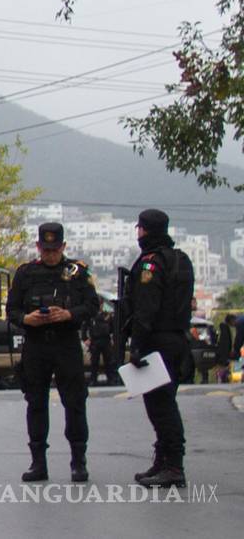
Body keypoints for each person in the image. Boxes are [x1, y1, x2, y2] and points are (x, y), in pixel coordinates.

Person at [6, 222, 98, 483]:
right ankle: (38, 463)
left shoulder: (76, 272)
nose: (50, 255)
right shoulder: (25, 274)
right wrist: (27, 319)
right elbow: (11, 310)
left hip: (66, 343)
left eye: (55, 250)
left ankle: (78, 461)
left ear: (63, 246)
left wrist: (68, 314)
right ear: (38, 247)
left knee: (75, 403)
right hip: (36, 344)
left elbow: (92, 306)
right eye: (46, 250)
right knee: (36, 404)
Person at [127, 209, 195, 488]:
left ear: (144, 230)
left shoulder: (151, 263)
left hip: (156, 342)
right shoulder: (181, 259)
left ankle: (174, 466)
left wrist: (136, 344)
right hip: (178, 340)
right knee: (164, 403)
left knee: (161, 406)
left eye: (140, 229)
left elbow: (146, 307)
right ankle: (164, 460)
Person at [83, 305, 115, 386]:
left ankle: (110, 379)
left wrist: (113, 338)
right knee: (94, 361)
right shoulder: (91, 315)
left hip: (106, 340)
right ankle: (93, 380)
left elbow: (113, 327)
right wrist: (85, 338)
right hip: (95, 340)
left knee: (108, 361)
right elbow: (84, 326)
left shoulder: (107, 315)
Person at [214, 315, 235, 383]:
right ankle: (221, 378)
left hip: (222, 353)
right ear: (231, 321)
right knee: (222, 367)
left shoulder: (223, 328)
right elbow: (225, 343)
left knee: (223, 367)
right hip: (223, 354)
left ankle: (221, 378)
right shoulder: (225, 328)